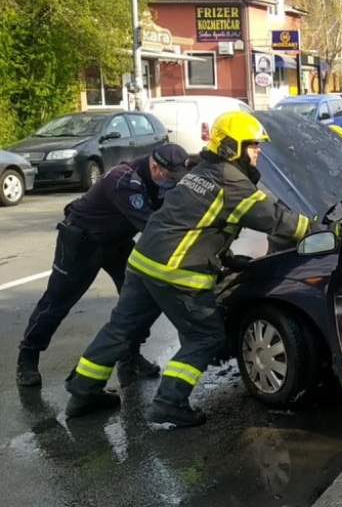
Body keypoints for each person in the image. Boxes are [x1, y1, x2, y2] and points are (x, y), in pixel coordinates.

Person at [64, 112, 315, 427]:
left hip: (143, 263)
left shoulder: (201, 172)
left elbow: (193, 224)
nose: (258, 151)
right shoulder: (233, 183)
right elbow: (278, 221)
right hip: (176, 272)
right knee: (206, 336)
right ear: (232, 147)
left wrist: (226, 258)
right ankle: (170, 402)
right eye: (252, 144)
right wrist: (320, 228)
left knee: (120, 330)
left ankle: (83, 393)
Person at [15, 144, 189, 388]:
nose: (173, 182)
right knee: (57, 301)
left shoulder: (159, 179)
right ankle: (28, 356)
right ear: (155, 168)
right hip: (83, 241)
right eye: (171, 176)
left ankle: (129, 356)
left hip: (117, 240)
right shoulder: (123, 181)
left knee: (142, 297)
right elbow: (153, 227)